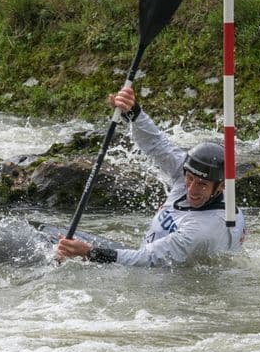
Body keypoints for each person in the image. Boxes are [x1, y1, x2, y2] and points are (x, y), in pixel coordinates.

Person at [55, 86, 246, 267]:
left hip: (172, 281)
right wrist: (133, 112)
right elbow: (156, 144)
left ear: (221, 187)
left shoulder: (202, 231)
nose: (192, 189)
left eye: (202, 184)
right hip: (149, 258)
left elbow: (148, 259)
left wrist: (90, 253)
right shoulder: (188, 170)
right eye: (189, 179)